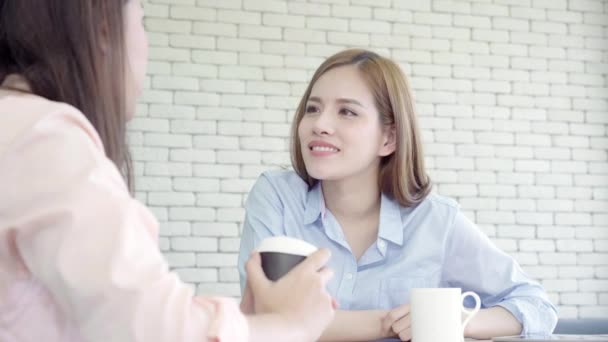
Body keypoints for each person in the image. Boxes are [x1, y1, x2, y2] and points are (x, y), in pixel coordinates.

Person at [0, 1, 336, 341]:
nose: (322, 126)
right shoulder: (45, 138)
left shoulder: (23, 129)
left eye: (348, 113)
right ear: (104, 29)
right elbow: (149, 327)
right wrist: (286, 326)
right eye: (142, 22)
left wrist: (250, 325)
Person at [237, 48, 558, 341]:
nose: (319, 124)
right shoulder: (277, 196)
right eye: (313, 108)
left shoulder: (435, 221)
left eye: (347, 112)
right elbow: (266, 316)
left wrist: (459, 321)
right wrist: (390, 323)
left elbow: (536, 305)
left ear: (388, 139)